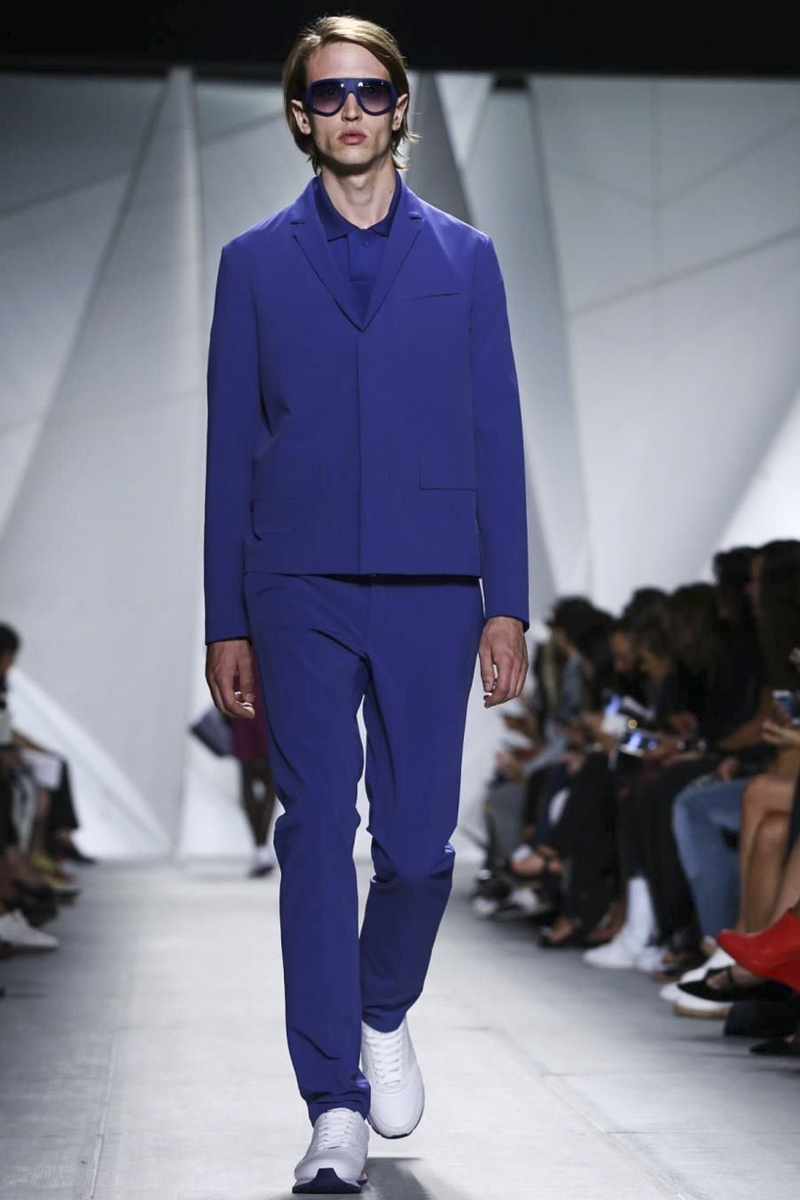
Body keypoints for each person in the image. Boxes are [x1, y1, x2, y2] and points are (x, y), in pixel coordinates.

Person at [202, 16, 529, 1195]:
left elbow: (496, 432)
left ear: (399, 108)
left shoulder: (465, 258)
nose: (350, 109)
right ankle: (331, 1102)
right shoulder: (252, 261)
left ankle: (381, 1004)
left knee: (418, 848)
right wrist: (224, 617)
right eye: (328, 92)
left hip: (435, 582)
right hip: (294, 581)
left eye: (370, 91)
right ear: (300, 115)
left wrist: (507, 600)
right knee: (311, 833)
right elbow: (228, 448)